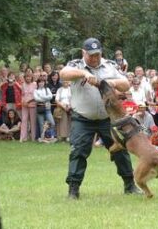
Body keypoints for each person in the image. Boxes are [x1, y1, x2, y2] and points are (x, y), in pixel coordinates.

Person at [59, 37, 141, 199]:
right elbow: (63, 74)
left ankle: (130, 185)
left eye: (97, 54)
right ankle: (73, 190)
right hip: (83, 118)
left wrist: (107, 82)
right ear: (83, 53)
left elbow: (125, 84)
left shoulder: (109, 65)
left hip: (107, 119)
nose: (94, 58)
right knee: (78, 152)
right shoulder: (76, 65)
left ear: (101, 52)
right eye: (91, 55)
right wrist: (84, 73)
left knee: (120, 150)